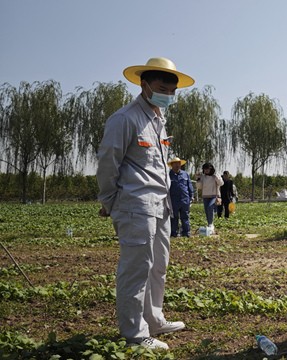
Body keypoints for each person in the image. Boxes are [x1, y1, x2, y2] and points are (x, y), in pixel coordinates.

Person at [96, 57, 193, 350]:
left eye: (172, 91)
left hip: (160, 206)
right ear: (144, 84)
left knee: (157, 267)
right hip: (135, 205)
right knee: (136, 269)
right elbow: (107, 163)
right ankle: (135, 334)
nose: (168, 94)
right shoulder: (125, 119)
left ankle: (153, 319)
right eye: (162, 87)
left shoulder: (159, 121)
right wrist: (109, 200)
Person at [167, 157, 193, 237]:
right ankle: (173, 232)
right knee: (174, 217)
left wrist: (191, 196)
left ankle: (186, 232)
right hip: (173, 200)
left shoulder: (185, 174)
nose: (177, 165)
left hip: (185, 199)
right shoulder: (168, 175)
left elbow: (189, 186)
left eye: (178, 163)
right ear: (171, 165)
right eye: (175, 163)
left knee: (185, 216)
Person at [196, 163, 223, 232]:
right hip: (205, 196)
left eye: (207, 169)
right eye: (205, 169)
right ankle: (209, 224)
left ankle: (211, 224)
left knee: (210, 207)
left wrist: (217, 177)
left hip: (214, 195)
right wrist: (198, 179)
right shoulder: (203, 177)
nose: (206, 170)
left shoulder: (215, 176)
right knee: (207, 210)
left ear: (211, 169)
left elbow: (221, 183)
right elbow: (199, 187)